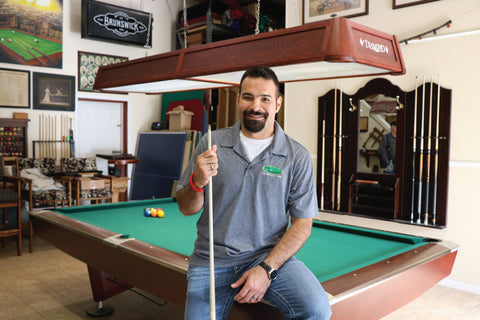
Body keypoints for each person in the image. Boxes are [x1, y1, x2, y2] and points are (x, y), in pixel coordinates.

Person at [176, 66, 332, 320]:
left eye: (265, 98)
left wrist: (266, 269)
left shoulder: (297, 155)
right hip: (212, 259)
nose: (255, 105)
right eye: (248, 97)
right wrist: (197, 181)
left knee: (317, 310)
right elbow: (186, 207)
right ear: (238, 99)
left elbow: (302, 225)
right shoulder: (211, 143)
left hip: (268, 257)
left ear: (278, 104)